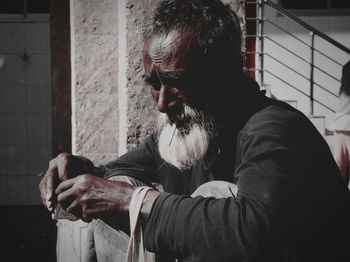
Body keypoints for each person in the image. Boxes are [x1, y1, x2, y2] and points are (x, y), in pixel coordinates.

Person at [39, 0, 350, 261]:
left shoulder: (273, 129)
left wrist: (133, 201)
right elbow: (116, 175)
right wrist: (81, 173)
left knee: (212, 196)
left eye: (177, 83)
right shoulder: (184, 131)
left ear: (224, 76)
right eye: (154, 85)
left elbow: (255, 229)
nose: (162, 104)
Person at [333, 61, 350, 185]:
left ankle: (339, 199)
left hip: (340, 120)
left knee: (340, 166)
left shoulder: (347, 67)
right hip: (345, 121)